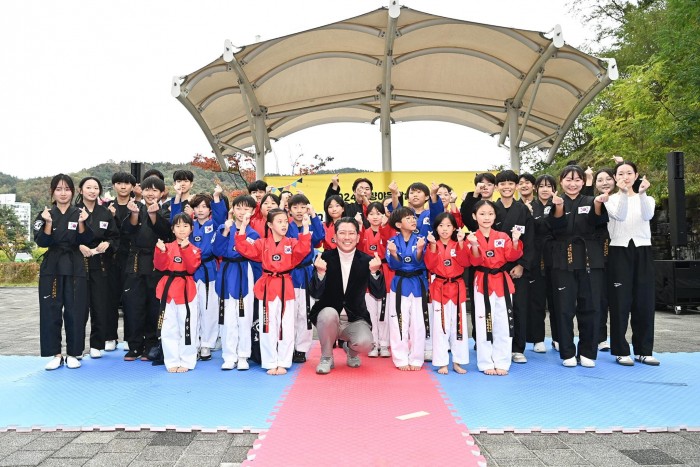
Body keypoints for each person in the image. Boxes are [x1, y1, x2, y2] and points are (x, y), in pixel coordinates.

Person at [235, 208, 311, 375]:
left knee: (286, 326)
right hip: (268, 286)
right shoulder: (262, 244)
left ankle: (283, 361)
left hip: (285, 286)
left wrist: (306, 227)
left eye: (285, 221)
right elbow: (243, 247)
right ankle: (270, 361)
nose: (284, 225)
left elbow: (304, 249)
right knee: (267, 325)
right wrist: (243, 226)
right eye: (279, 221)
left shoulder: (291, 243)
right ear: (269, 224)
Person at [548, 165, 608, 368]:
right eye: (568, 179)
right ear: (561, 181)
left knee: (590, 306)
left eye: (577, 180)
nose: (572, 184)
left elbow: (598, 222)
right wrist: (558, 207)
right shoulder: (556, 202)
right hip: (563, 259)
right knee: (564, 308)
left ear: (583, 182)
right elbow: (555, 228)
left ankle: (588, 352)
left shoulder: (591, 200)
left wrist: (598, 203)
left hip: (590, 258)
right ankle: (567, 352)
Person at [310, 217, 386, 374]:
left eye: (351, 233)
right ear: (335, 236)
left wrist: (374, 272)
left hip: (355, 318)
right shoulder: (324, 259)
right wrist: (320, 273)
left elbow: (378, 293)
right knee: (328, 313)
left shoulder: (367, 260)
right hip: (329, 318)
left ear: (358, 237)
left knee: (367, 343)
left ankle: (351, 350)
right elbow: (315, 293)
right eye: (342, 233)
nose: (347, 237)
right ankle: (326, 357)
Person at [34, 174, 93, 370]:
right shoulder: (44, 214)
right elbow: (41, 241)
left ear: (73, 192)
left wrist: (83, 223)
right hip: (52, 266)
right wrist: (48, 223)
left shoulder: (80, 213)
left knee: (76, 310)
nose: (63, 193)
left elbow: (87, 240)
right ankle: (56, 354)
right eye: (58, 189)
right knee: (50, 310)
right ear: (52, 192)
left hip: (75, 265)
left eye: (67, 189)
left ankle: (74, 353)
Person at [605, 161, 659, 366]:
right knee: (620, 302)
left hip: (643, 249)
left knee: (644, 301)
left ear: (636, 176)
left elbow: (648, 215)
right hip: (619, 250)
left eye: (629, 173)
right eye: (620, 173)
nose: (625, 177)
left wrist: (642, 194)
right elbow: (619, 215)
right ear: (615, 177)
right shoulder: (610, 200)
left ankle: (644, 350)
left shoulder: (648, 199)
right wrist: (623, 193)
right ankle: (620, 350)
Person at [122, 175, 174, 362]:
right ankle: (134, 345)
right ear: (141, 191)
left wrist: (154, 215)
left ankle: (151, 344)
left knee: (154, 306)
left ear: (162, 193)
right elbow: (127, 231)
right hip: (136, 261)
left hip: (156, 262)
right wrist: (134, 215)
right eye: (147, 189)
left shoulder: (166, 210)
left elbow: (167, 232)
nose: (150, 193)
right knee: (133, 305)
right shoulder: (135, 207)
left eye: (155, 190)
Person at [174, 187, 227, 362]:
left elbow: (221, 216)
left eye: (204, 206)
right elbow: (175, 221)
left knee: (209, 308)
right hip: (190, 269)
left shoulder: (214, 224)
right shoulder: (189, 225)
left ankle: (206, 343)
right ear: (193, 209)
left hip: (209, 269)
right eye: (197, 206)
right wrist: (178, 197)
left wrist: (217, 197)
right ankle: (194, 343)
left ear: (210, 209)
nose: (201, 210)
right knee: (192, 307)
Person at [470, 200, 522, 375]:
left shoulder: (503, 236)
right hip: (482, 281)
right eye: (482, 214)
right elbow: (474, 261)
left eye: (490, 214)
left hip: (502, 281)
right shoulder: (471, 238)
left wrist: (515, 241)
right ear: (474, 216)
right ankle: (485, 362)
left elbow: (512, 256)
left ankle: (502, 361)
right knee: (483, 321)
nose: (486, 217)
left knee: (503, 322)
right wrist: (474, 245)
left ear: (495, 216)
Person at [213, 195, 261, 370]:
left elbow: (247, 253)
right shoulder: (224, 228)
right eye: (238, 208)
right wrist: (225, 231)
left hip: (244, 273)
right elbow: (217, 251)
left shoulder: (253, 234)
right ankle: (229, 356)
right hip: (226, 273)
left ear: (253, 211)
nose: (242, 212)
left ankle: (243, 355)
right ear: (232, 210)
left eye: (246, 208)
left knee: (244, 316)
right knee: (228, 317)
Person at [75, 176, 120, 359]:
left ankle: (96, 344)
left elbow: (114, 236)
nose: (92, 191)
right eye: (88, 187)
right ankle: (76, 347)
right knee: (78, 307)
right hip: (78, 265)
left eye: (96, 188)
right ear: (80, 190)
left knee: (100, 306)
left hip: (100, 264)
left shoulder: (105, 213)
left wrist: (108, 243)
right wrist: (78, 245)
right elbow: (65, 236)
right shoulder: (73, 211)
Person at [424, 213, 475, 374]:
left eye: (448, 225)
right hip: (439, 287)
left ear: (454, 228)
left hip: (457, 287)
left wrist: (461, 243)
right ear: (436, 228)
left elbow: (466, 262)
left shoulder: (459, 243)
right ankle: (442, 362)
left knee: (459, 325)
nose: (444, 229)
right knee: (440, 326)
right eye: (441, 226)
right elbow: (430, 266)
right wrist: (432, 246)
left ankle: (458, 361)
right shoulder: (432, 245)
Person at [493, 170, 535, 364]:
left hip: (517, 267)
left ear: (516, 186)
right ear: (497, 187)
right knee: (497, 309)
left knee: (519, 307)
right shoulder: (491, 209)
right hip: (495, 268)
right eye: (502, 183)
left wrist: (522, 265)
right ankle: (497, 346)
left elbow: (530, 240)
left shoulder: (523, 210)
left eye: (511, 183)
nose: (507, 187)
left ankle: (518, 348)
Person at [154, 213, 201, 372]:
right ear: (172, 229)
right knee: (168, 328)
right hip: (168, 290)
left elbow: (192, 268)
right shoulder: (166, 247)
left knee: (187, 326)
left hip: (186, 291)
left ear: (191, 229)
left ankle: (187, 361)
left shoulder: (194, 249)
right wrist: (160, 251)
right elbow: (160, 266)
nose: (181, 229)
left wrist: (185, 249)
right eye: (178, 226)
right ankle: (171, 361)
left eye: (185, 226)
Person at [386, 206, 429, 371]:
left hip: (418, 283)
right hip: (400, 284)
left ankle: (416, 358)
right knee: (398, 322)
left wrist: (420, 250)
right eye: (408, 218)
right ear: (398, 224)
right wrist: (394, 254)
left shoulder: (421, 239)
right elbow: (394, 265)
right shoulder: (392, 242)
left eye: (413, 217)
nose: (413, 220)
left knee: (418, 323)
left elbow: (421, 262)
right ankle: (400, 358)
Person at [286, 194, 325, 363]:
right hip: (290, 273)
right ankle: (288, 347)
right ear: (289, 210)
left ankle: (301, 349)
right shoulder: (286, 226)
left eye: (303, 207)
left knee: (305, 312)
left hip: (307, 273)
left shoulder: (310, 225)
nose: (299, 211)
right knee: (289, 313)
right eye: (295, 207)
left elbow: (319, 238)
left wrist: (314, 216)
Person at [357, 202, 394, 358]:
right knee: (370, 311)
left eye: (378, 213)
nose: (375, 217)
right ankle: (373, 343)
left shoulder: (390, 231)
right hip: (368, 272)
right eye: (371, 214)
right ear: (367, 217)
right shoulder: (363, 232)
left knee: (384, 312)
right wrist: (359, 226)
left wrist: (385, 227)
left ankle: (384, 344)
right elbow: (358, 249)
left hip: (386, 272)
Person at [105, 171, 137, 350]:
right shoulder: (107, 207)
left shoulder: (137, 207)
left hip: (131, 258)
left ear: (133, 187)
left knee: (130, 299)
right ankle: (110, 336)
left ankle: (130, 338)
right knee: (110, 298)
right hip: (111, 259)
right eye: (119, 183)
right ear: (114, 186)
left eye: (126, 183)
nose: (123, 186)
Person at [526, 174, 558, 352]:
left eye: (549, 186)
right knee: (536, 301)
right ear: (536, 188)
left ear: (554, 189)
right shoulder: (530, 206)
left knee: (557, 302)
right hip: (536, 259)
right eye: (542, 186)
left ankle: (558, 338)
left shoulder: (559, 205)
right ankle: (537, 339)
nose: (545, 189)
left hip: (556, 258)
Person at [588, 168, 615, 352]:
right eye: (600, 180)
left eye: (608, 178)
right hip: (600, 253)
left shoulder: (623, 198)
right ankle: (600, 337)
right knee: (600, 297)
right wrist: (588, 181)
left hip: (621, 251)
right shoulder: (593, 202)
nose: (604, 182)